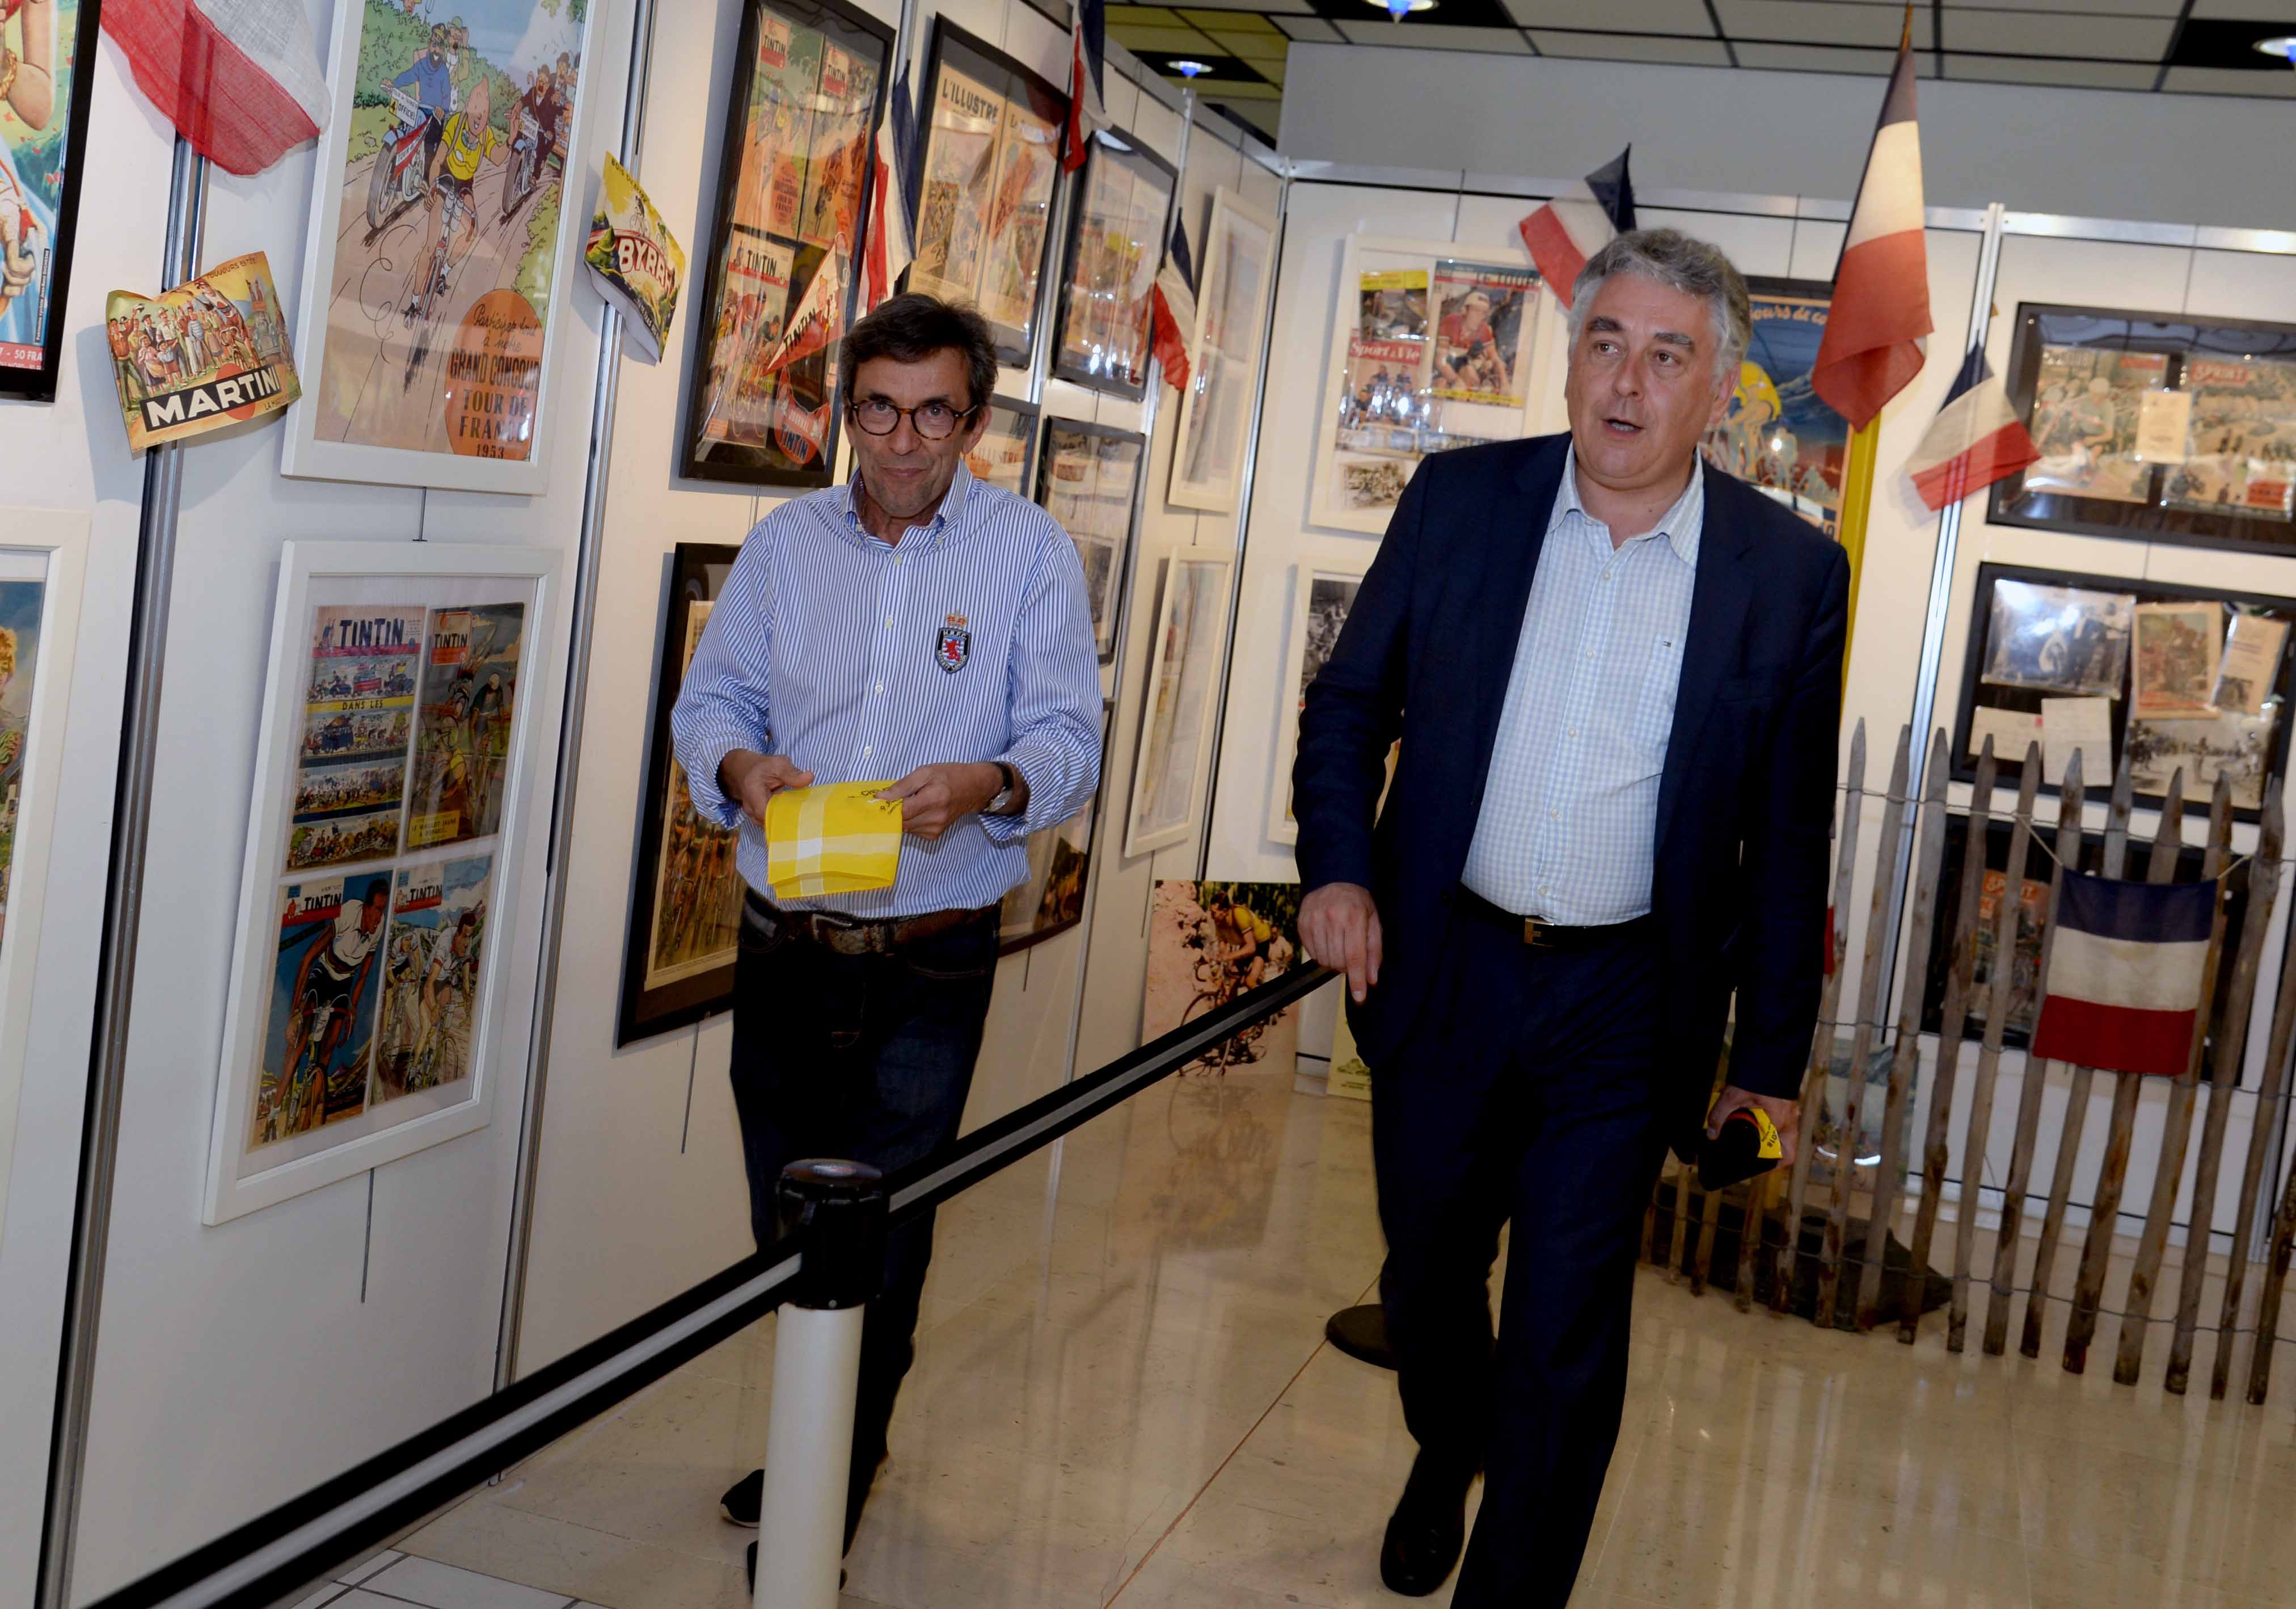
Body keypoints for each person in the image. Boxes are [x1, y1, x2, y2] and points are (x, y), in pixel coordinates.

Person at [1292, 229, 1846, 1607]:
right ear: (1568, 361)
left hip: (1625, 1008)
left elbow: (1786, 845)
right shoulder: (1458, 502)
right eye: (1605, 344)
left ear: (1715, 392)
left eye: (1665, 356)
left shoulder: (1784, 575)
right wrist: (1337, 870)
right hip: (1447, 969)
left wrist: (1768, 1067)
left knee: (1563, 1331)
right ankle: (1448, 1439)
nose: (1625, 382)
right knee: (1425, 1285)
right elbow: (1348, 703)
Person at [670, 292, 1100, 1583]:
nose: (904, 443)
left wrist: (988, 784)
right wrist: (740, 769)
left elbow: (1069, 743)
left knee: (884, 1239)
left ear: (975, 420)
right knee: (785, 1228)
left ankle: (829, 1491)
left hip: (931, 957)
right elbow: (710, 703)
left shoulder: (1029, 555)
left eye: (933, 415)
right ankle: (824, 1442)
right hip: (784, 946)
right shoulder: (784, 546)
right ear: (844, 410)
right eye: (879, 411)